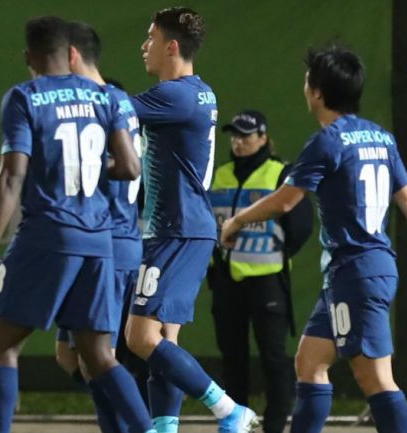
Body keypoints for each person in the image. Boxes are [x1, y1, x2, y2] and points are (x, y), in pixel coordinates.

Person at [220, 45, 407, 433]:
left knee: (375, 377)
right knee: (310, 362)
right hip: (355, 273)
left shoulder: (328, 141)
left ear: (316, 91)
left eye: (307, 80)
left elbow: (285, 202)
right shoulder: (381, 138)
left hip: (357, 273)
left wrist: (235, 222)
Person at [0, 16, 157, 433]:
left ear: (29, 56)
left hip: (48, 235)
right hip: (99, 240)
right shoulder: (107, 98)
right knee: (99, 355)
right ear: (71, 54)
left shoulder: (25, 98)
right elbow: (131, 165)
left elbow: (12, 176)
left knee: (0, 346)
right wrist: (85, 168)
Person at [123, 7, 259, 433]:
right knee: (165, 339)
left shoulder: (175, 95)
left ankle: (228, 410)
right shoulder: (198, 92)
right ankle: (164, 428)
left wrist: (76, 83)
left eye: (150, 38)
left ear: (172, 46)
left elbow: (115, 109)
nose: (144, 46)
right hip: (187, 229)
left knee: (139, 338)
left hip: (174, 231)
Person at [52, 21, 145, 433]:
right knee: (98, 359)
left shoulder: (91, 104)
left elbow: (119, 168)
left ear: (72, 54)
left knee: (99, 360)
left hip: (100, 246)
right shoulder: (126, 104)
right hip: (123, 243)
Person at [207, 110, 313, 433]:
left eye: (246, 136)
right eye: (234, 135)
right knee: (232, 358)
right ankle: (236, 423)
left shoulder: (280, 173)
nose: (238, 142)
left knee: (274, 359)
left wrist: (272, 254)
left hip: (267, 281)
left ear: (264, 138)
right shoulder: (219, 174)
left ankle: (275, 426)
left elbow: (301, 226)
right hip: (227, 281)